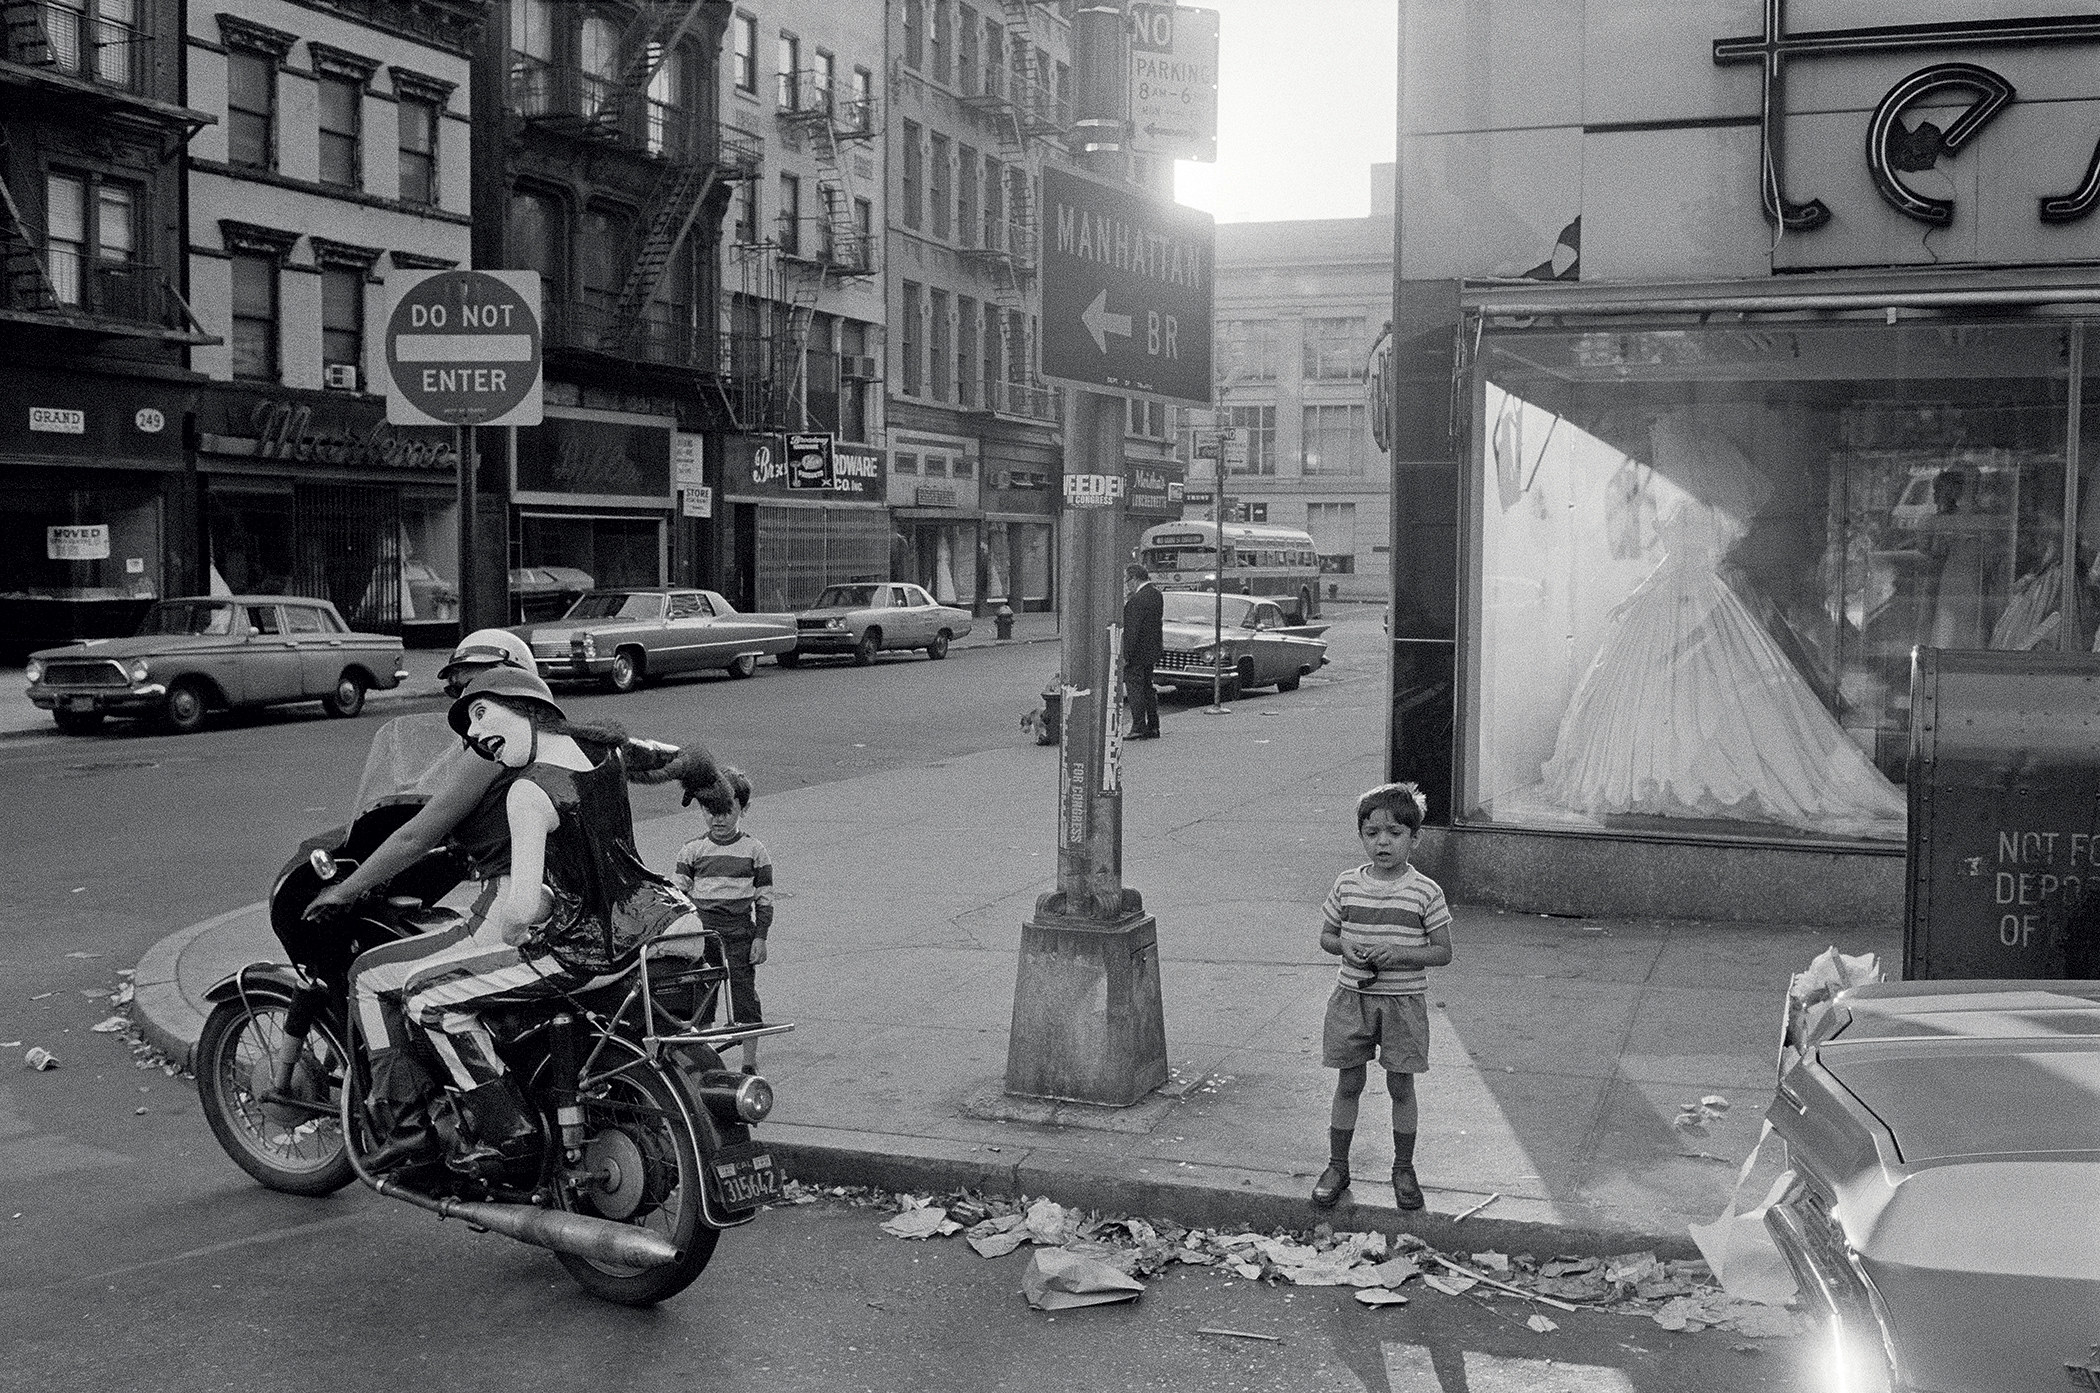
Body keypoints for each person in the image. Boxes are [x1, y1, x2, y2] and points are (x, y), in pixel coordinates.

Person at [333, 631, 717, 1171]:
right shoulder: (594, 745)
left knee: (392, 983)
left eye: (476, 691)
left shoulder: (506, 771)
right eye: (459, 693)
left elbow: (416, 837)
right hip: (666, 916)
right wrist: (714, 782)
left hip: (572, 930)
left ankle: (434, 1127)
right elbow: (668, 758)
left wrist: (347, 889)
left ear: (520, 690)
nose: (471, 718)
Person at [1312, 781, 1452, 1211]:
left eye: (1393, 833)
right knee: (1348, 1081)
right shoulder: (1347, 885)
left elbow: (1443, 951)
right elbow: (1327, 936)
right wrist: (1345, 947)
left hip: (1402, 1004)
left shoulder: (1425, 892)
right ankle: (1338, 1165)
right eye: (1372, 833)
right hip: (1352, 998)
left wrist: (1402, 953)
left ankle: (1403, 1168)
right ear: (1361, 837)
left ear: (1415, 837)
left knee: (1401, 1085)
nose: (1382, 842)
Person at [671, 767, 773, 1073]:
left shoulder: (755, 851)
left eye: (727, 811)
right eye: (711, 811)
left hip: (741, 935)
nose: (719, 819)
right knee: (701, 998)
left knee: (744, 996)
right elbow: (678, 897)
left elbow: (764, 898)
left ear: (743, 808)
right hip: (703, 939)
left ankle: (748, 1064)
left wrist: (761, 937)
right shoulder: (692, 850)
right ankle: (701, 1063)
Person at [1121, 563, 1164, 739]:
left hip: (1137, 653)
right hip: (1152, 651)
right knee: (1147, 688)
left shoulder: (1136, 601)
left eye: (1127, 580)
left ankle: (1138, 727)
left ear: (1135, 578)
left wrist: (1126, 656)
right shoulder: (1156, 595)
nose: (1127, 584)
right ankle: (1153, 726)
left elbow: (1132, 631)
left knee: (1135, 689)